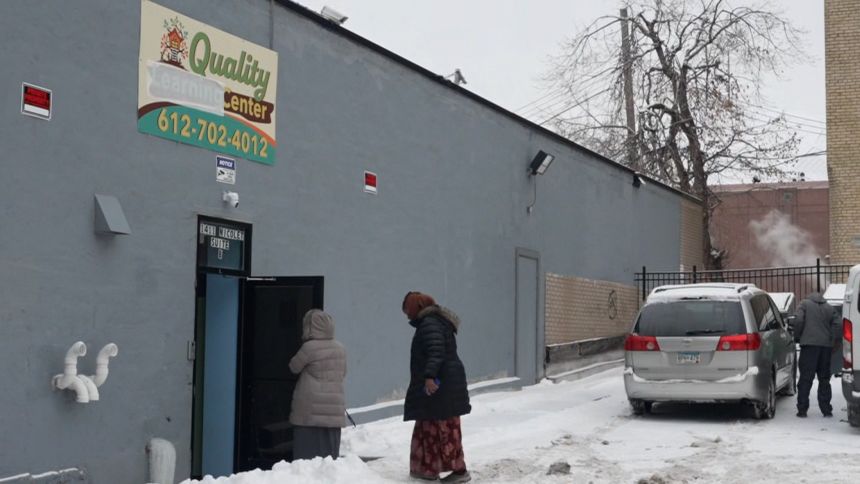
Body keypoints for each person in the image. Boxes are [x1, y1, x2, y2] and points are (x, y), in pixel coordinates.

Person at [402, 291, 472, 483]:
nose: (406, 314)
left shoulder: (429, 324)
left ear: (416, 307)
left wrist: (430, 377)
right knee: (431, 423)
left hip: (440, 386)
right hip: (446, 384)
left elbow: (436, 351)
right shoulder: (435, 322)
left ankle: (454, 471)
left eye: (407, 309)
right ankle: (427, 468)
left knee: (439, 427)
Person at [288, 309, 347, 459]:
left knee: (307, 456)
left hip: (310, 410)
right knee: (328, 458)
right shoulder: (340, 348)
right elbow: (343, 372)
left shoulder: (309, 347)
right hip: (334, 408)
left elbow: (293, 367)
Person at [793, 292, 841, 418]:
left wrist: (798, 336)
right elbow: (839, 324)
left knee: (805, 378)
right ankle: (826, 409)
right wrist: (833, 339)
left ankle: (802, 409)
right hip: (825, 347)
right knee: (824, 378)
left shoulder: (804, 304)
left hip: (808, 346)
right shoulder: (829, 308)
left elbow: (798, 320)